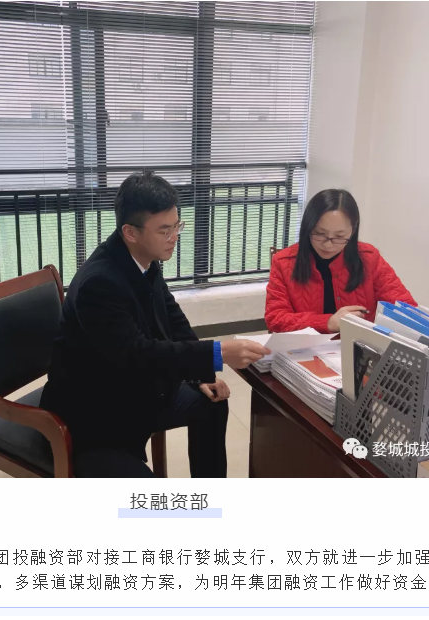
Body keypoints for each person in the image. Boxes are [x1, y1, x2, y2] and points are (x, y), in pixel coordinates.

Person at [40, 172, 270, 478]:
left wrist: (201, 374)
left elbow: (172, 319)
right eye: (164, 230)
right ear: (130, 232)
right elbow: (137, 354)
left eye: (177, 226)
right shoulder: (100, 283)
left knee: (212, 403)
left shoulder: (143, 258)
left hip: (135, 391)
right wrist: (218, 353)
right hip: (93, 415)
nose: (175, 236)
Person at [265, 189, 416, 333]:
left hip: (358, 346)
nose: (328, 244)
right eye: (319, 233)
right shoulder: (284, 262)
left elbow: (404, 308)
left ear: (353, 231)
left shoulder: (369, 258)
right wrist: (327, 322)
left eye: (339, 236)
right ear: (307, 228)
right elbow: (275, 319)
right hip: (305, 347)